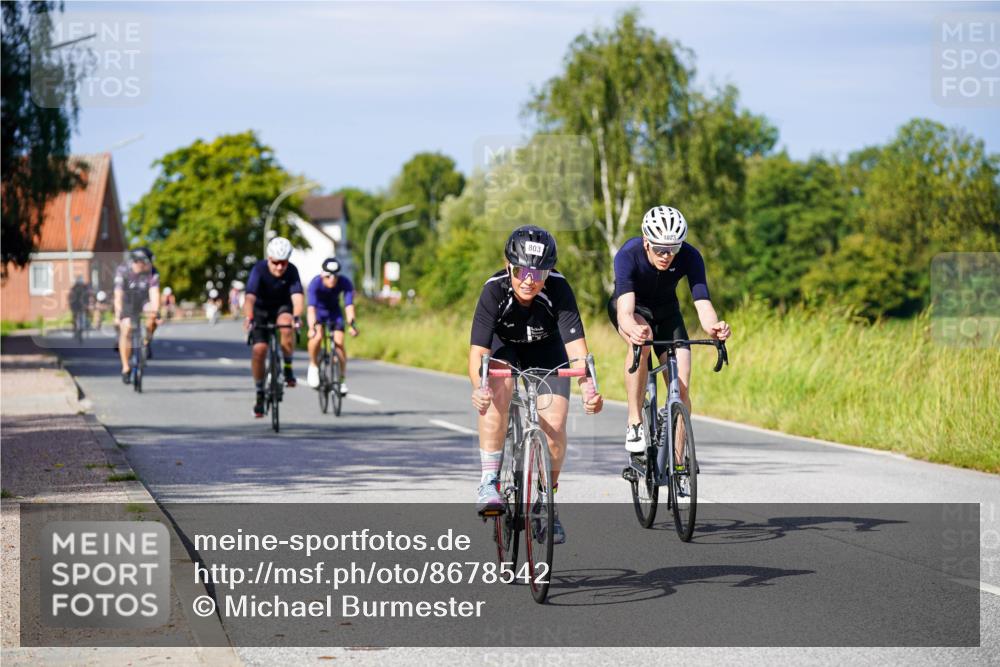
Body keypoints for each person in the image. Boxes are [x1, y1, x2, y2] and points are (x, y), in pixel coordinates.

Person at [469, 225, 604, 544]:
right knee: (496, 387)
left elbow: (577, 352)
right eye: (521, 271)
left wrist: (589, 388)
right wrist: (480, 387)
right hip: (506, 347)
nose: (529, 279)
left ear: (549, 272)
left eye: (538, 272)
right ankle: (489, 480)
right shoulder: (494, 290)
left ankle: (547, 501)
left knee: (554, 427)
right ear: (508, 266)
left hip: (547, 347)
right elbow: (478, 353)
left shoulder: (558, 288)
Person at [608, 206, 731, 457]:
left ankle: (678, 463)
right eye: (660, 249)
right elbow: (624, 311)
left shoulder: (690, 256)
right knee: (641, 344)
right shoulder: (627, 255)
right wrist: (634, 330)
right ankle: (634, 422)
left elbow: (702, 302)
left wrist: (713, 327)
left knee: (682, 388)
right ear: (646, 242)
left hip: (667, 312)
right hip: (633, 308)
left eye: (673, 249)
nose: (667, 255)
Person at [243, 237, 304, 418]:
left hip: (282, 307)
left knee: (286, 326)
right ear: (269, 259)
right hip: (260, 310)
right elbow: (250, 297)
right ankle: (260, 393)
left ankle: (287, 367)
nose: (279, 267)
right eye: (276, 263)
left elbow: (298, 297)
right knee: (259, 350)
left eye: (283, 263)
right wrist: (249, 317)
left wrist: (297, 317)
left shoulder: (292, 271)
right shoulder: (259, 269)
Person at [306, 257, 358, 393]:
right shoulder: (315, 283)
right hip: (319, 313)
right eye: (328, 276)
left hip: (335, 313)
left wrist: (352, 325)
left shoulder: (345, 282)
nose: (332, 279)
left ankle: (341, 380)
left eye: (335, 276)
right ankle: (313, 365)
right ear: (323, 274)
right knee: (316, 337)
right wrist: (311, 328)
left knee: (339, 343)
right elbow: (311, 309)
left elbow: (349, 306)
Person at [113, 248, 160, 384]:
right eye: (146, 263)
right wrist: (118, 315)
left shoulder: (152, 272)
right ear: (137, 262)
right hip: (128, 301)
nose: (149, 266)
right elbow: (118, 296)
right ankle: (125, 367)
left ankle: (146, 341)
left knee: (152, 315)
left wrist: (155, 313)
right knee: (126, 328)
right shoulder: (123, 270)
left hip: (144, 300)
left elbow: (154, 294)